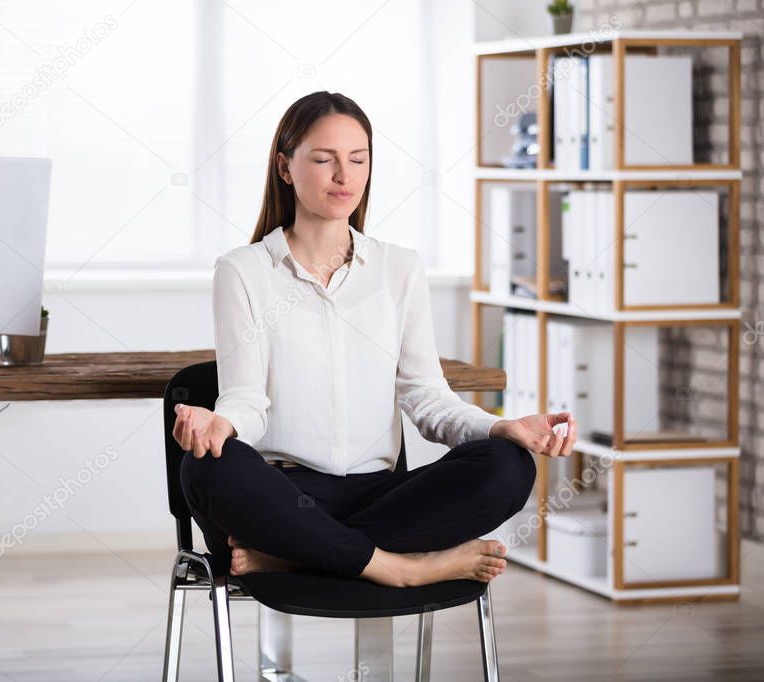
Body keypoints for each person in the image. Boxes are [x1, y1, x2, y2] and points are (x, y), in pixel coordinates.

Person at [173, 91, 576, 589]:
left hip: (381, 498)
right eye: (324, 160)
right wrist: (221, 424)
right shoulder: (242, 271)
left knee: (508, 466)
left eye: (358, 160)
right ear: (285, 167)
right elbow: (246, 399)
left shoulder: (399, 268)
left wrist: (504, 427)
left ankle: (300, 557)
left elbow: (426, 396)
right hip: (281, 496)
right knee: (206, 469)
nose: (345, 176)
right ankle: (401, 568)